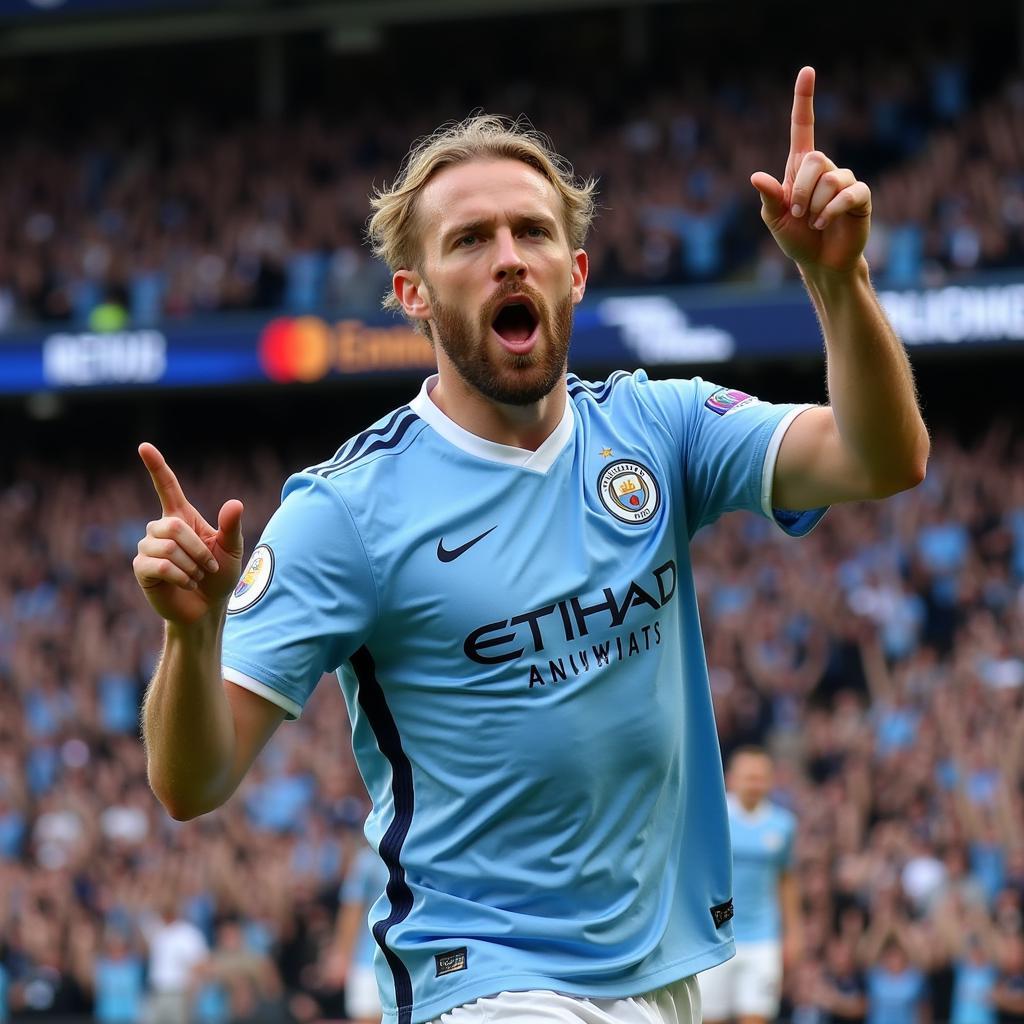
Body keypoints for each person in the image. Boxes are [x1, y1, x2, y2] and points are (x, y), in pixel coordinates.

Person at [134, 67, 929, 1024]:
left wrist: (835, 280)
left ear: (576, 272)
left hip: (661, 974)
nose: (510, 259)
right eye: (470, 241)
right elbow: (193, 781)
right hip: (485, 984)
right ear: (413, 294)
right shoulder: (346, 512)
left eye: (534, 233)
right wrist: (192, 636)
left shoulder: (660, 429)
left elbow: (880, 457)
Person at [699, 747, 801, 1024]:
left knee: (757, 1017)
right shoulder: (714, 819)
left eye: (760, 777)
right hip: (717, 932)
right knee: (710, 1017)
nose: (755, 784)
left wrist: (793, 932)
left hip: (763, 936)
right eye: (749, 777)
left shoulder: (782, 825)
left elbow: (786, 879)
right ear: (732, 779)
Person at [326, 839, 391, 1023]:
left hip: (402, 959)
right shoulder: (366, 861)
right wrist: (342, 956)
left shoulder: (412, 856)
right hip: (367, 961)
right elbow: (351, 911)